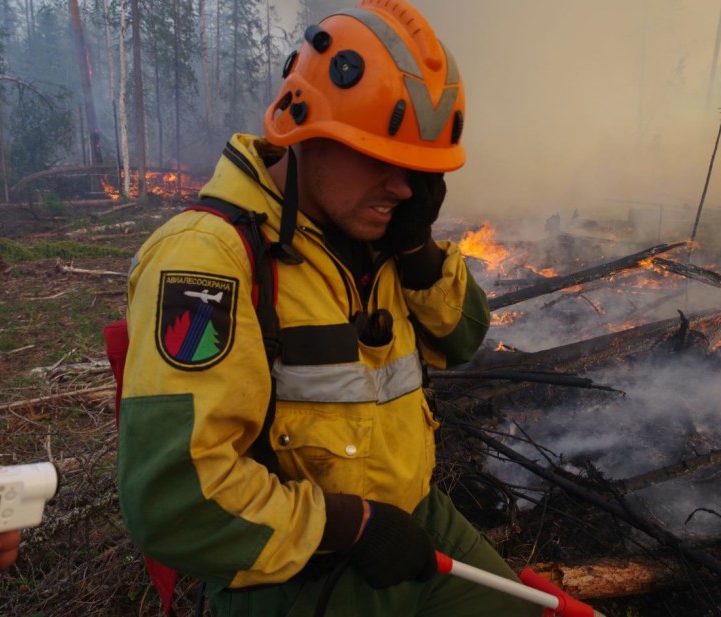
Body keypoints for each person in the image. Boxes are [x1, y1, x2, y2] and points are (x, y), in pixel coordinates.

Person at [117, 1, 541, 615]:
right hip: (298, 567)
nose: (402, 189)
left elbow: (463, 337)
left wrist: (418, 249)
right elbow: (175, 501)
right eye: (380, 158)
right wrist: (351, 525)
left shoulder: (380, 236)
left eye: (417, 171)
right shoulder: (208, 260)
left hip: (414, 518)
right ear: (304, 131)